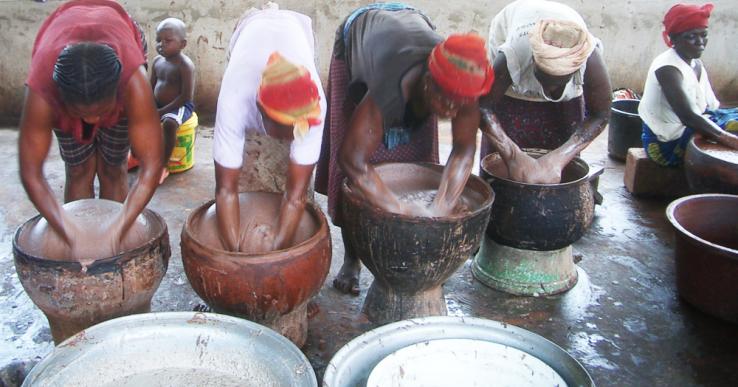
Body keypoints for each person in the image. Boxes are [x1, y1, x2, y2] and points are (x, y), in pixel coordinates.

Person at [314, 3, 494, 295]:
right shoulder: (392, 83)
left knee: (420, 162)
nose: (449, 108)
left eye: (457, 103)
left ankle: (416, 253)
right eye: (443, 97)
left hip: (410, 24)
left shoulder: (464, 85)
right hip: (359, 38)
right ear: (427, 80)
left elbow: (463, 149)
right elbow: (352, 160)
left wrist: (440, 206)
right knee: (356, 170)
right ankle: (352, 259)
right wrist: (401, 207)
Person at [18, 0, 163, 259]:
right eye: (81, 114)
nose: (93, 120)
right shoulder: (43, 89)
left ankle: (114, 259)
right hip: (59, 38)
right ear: (60, 101)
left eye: (102, 112)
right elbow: (31, 173)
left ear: (118, 95)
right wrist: (69, 234)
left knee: (112, 166)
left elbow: (151, 166)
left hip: (120, 33)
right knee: (78, 169)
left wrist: (118, 230)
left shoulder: (133, 81)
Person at [212, 4, 326, 253]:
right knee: (247, 170)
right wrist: (237, 254)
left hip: (295, 30)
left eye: (302, 124)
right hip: (250, 29)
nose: (299, 131)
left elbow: (295, 196)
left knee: (295, 174)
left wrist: (277, 251)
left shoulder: (313, 104)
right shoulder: (234, 101)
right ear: (261, 111)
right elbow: (225, 190)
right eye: (290, 127)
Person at [480, 0, 611, 184]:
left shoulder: (589, 59)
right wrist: (512, 155)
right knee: (502, 163)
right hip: (516, 41)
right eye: (542, 78)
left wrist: (559, 158)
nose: (548, 90)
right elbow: (482, 107)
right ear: (533, 61)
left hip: (567, 80)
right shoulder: (513, 53)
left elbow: (601, 114)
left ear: (574, 71)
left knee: (562, 150)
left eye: (557, 83)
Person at [638, 3, 738, 167]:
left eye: (703, 35)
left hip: (687, 128)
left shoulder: (695, 63)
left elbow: (710, 107)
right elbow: (689, 117)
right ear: (674, 39)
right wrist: (731, 140)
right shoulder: (668, 68)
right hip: (667, 144)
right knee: (725, 135)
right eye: (691, 36)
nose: (700, 42)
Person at [150, 17, 196, 181]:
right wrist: (148, 108)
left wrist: (161, 111)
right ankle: (136, 155)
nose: (161, 44)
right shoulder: (157, 61)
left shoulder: (185, 65)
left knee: (169, 124)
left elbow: (186, 96)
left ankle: (163, 165)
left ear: (182, 44)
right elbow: (151, 87)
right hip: (160, 105)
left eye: (168, 40)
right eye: (158, 40)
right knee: (135, 117)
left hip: (180, 106)